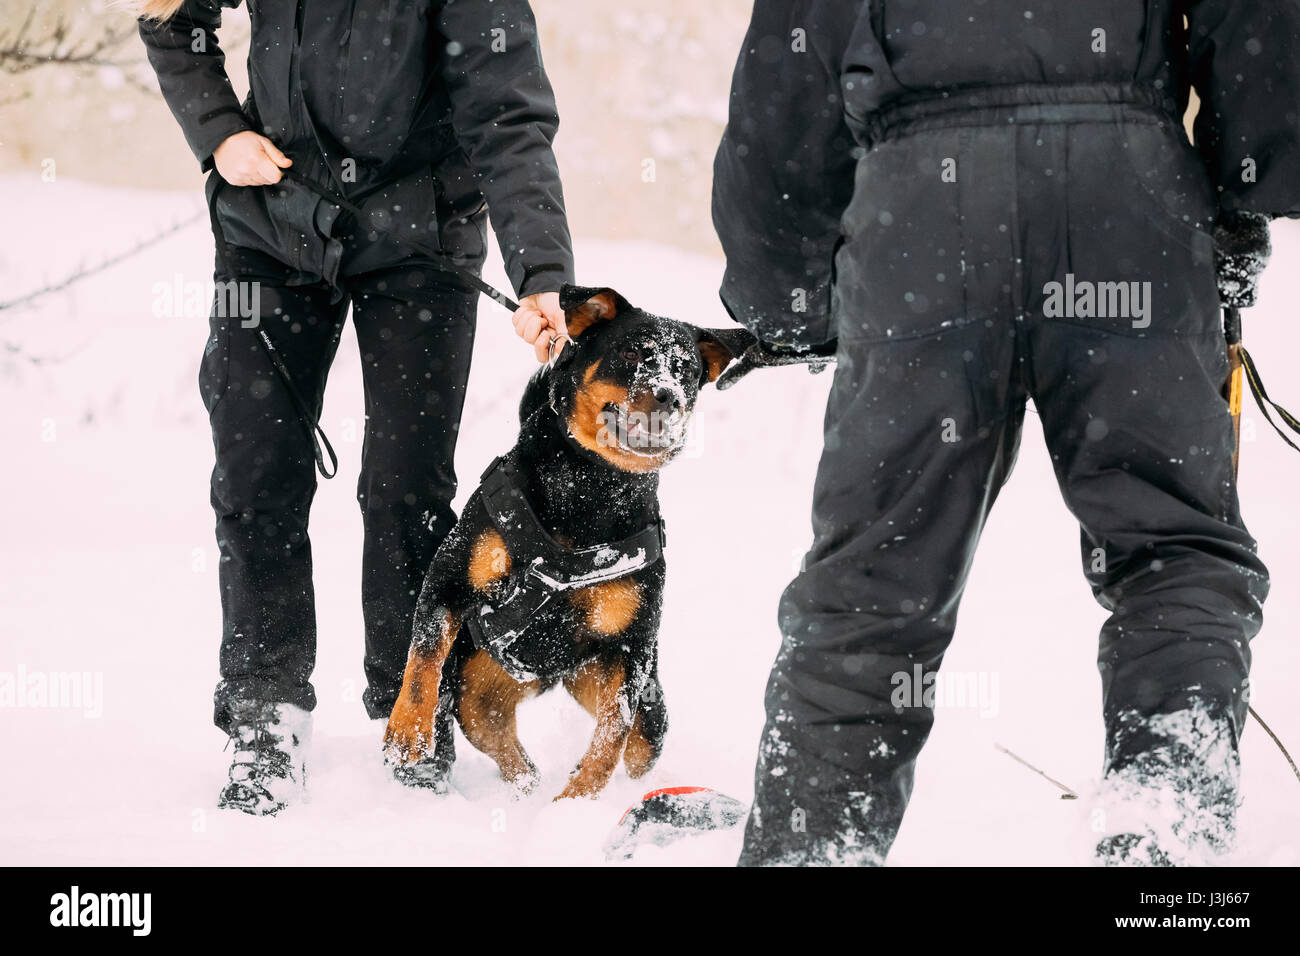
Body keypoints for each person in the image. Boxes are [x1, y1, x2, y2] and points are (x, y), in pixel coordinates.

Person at [713, 0, 1299, 865]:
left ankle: (814, 849)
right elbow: (1255, 20)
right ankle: (1164, 805)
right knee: (1172, 543)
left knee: (872, 584)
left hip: (918, 214)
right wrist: (1242, 192)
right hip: (1126, 198)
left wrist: (788, 299)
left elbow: (787, 77)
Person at [138, 0, 573, 815]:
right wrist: (219, 131)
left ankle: (412, 707)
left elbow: (506, 111)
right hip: (268, 229)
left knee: (406, 486)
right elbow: (171, 14)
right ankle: (265, 713)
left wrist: (542, 270)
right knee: (256, 474)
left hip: (420, 235)